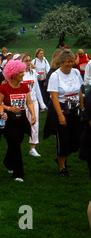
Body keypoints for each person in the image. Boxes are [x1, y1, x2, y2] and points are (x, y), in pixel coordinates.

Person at [43, 49, 84, 177]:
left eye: (72, 61)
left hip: (75, 110)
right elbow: (54, 97)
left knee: (76, 139)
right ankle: (62, 167)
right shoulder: (55, 76)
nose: (70, 64)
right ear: (61, 62)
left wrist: (82, 108)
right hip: (61, 110)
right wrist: (60, 115)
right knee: (64, 139)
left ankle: (62, 158)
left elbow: (80, 92)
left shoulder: (76, 73)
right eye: (68, 62)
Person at [0, 60, 36, 182]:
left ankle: (7, 162)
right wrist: (8, 108)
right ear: (13, 74)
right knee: (15, 143)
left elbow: (29, 102)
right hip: (9, 120)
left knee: (18, 141)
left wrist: (33, 114)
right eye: (20, 72)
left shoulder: (24, 86)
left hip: (21, 119)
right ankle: (18, 173)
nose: (23, 74)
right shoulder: (4, 87)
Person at [20, 53, 47, 157]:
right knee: (21, 125)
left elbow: (37, 89)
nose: (28, 63)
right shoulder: (19, 74)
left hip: (33, 101)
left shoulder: (33, 73)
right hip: (22, 103)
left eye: (29, 60)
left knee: (34, 124)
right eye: (26, 61)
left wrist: (42, 103)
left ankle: (32, 148)